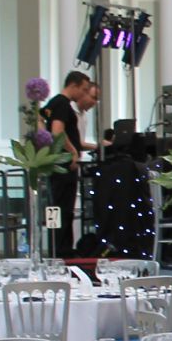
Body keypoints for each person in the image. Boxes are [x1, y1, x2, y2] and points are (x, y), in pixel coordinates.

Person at [40, 71, 98, 257]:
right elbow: (58, 131)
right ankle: (61, 250)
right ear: (72, 86)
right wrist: (72, 152)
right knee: (62, 208)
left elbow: (39, 119)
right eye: (82, 89)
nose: (83, 94)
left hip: (56, 164)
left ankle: (59, 248)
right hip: (63, 167)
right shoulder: (63, 105)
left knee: (58, 208)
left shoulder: (54, 104)